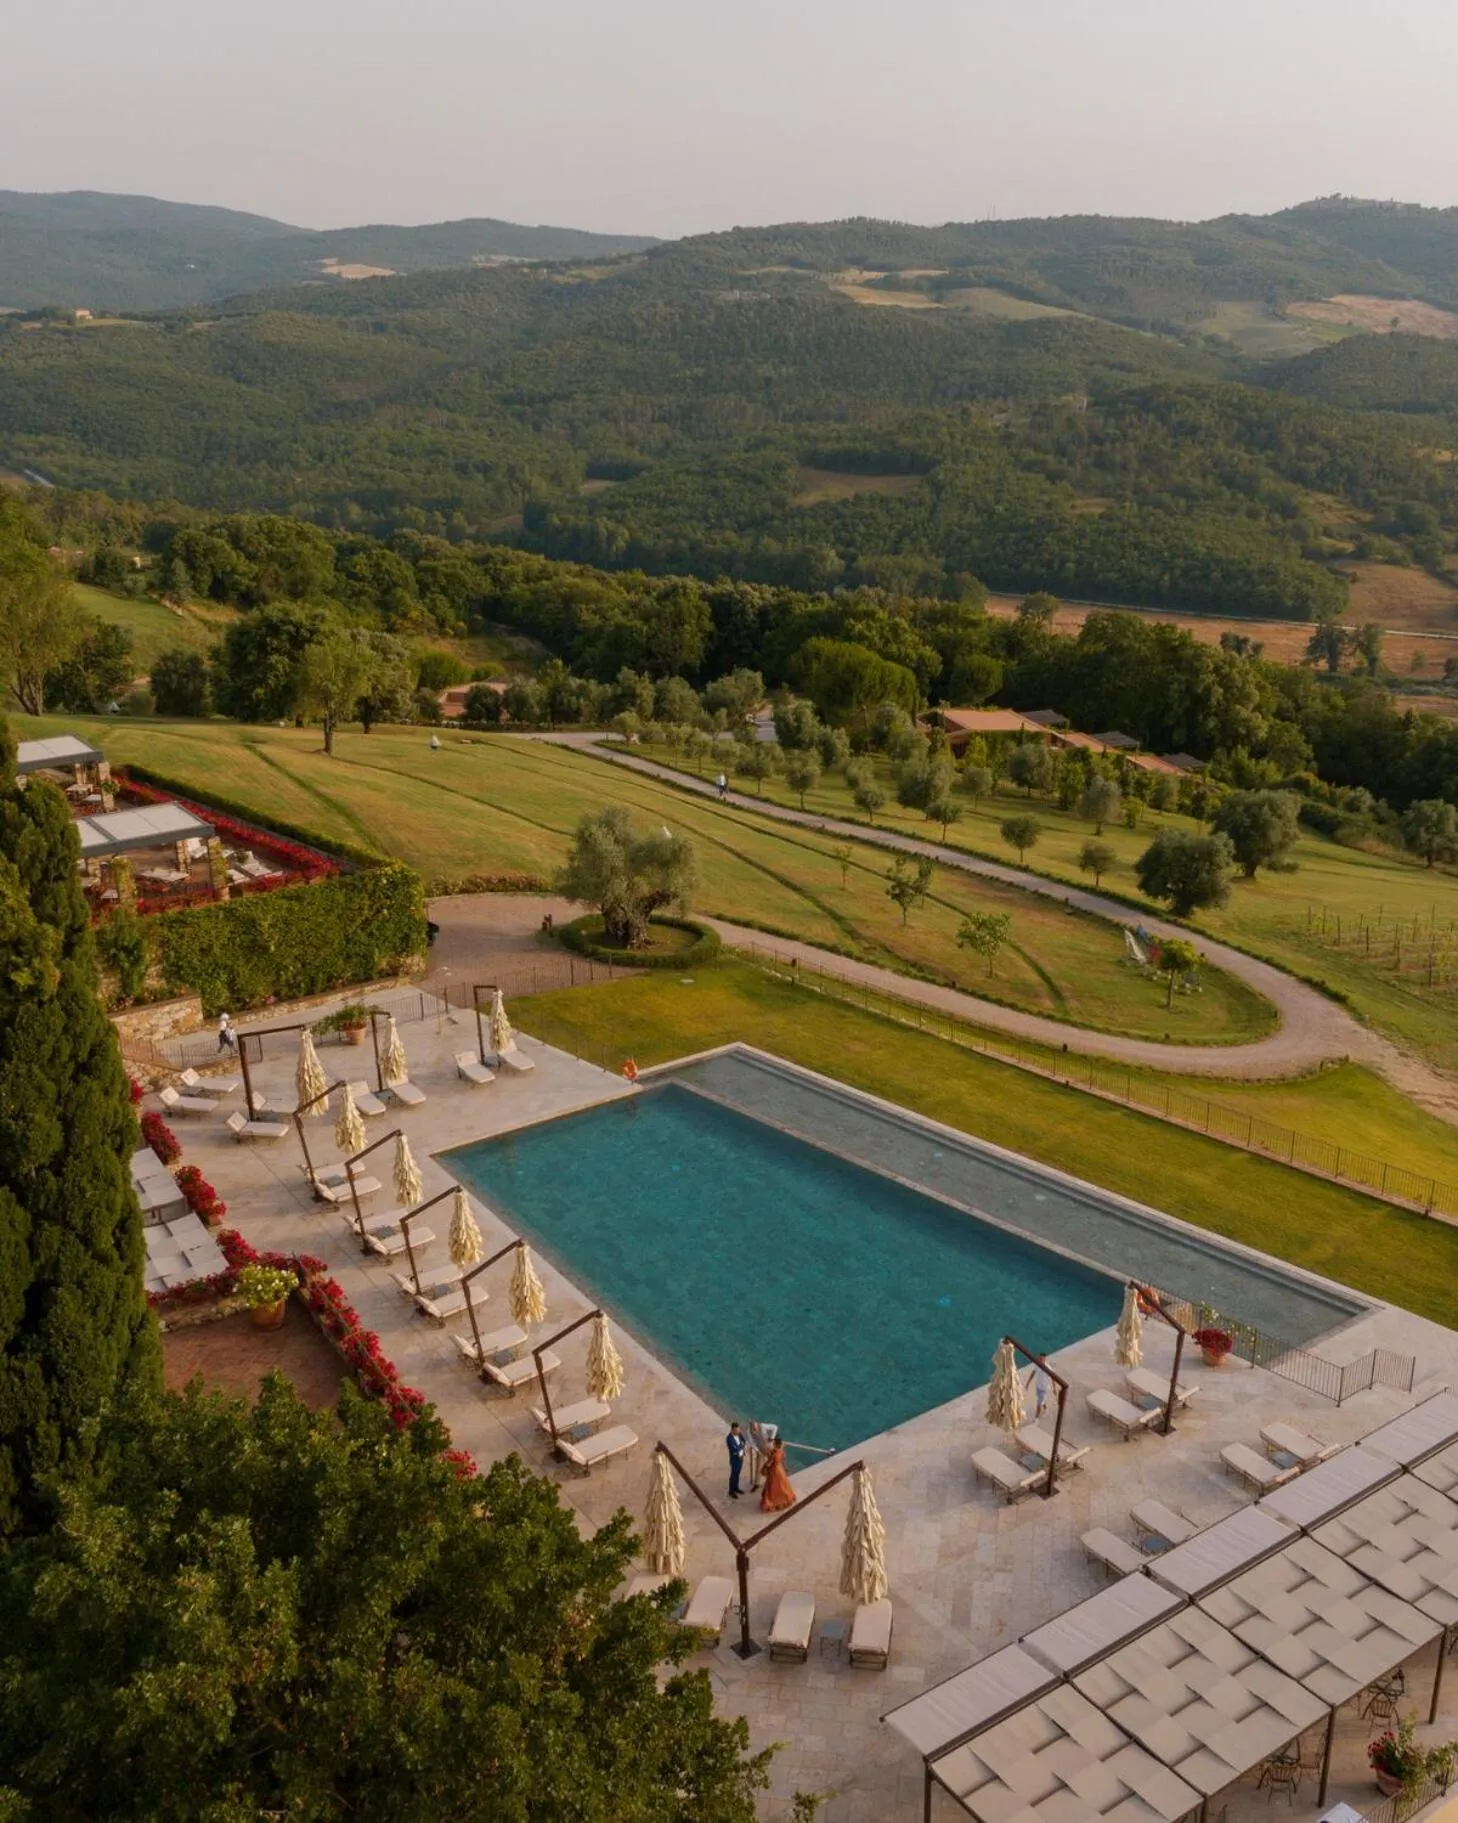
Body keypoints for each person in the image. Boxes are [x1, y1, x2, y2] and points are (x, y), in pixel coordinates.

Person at [759, 1436, 797, 1513]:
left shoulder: (774, 1453)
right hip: (780, 1469)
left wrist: (764, 1468)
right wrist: (785, 1468)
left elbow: (769, 1464)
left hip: (774, 1471)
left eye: (773, 1443)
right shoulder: (781, 1451)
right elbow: (783, 1459)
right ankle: (785, 1499)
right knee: (782, 1485)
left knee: (772, 1486)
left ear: (775, 1443)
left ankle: (771, 1502)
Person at [726, 1421, 746, 1499]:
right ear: (732, 1430)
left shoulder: (739, 1434)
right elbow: (734, 1449)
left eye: (739, 1430)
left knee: (738, 1474)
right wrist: (741, 1445)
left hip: (741, 1457)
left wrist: (740, 1445)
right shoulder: (729, 1438)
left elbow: (744, 1441)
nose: (738, 1432)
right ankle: (731, 1491)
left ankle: (736, 1488)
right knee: (733, 1475)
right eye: (737, 1430)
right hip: (734, 1459)